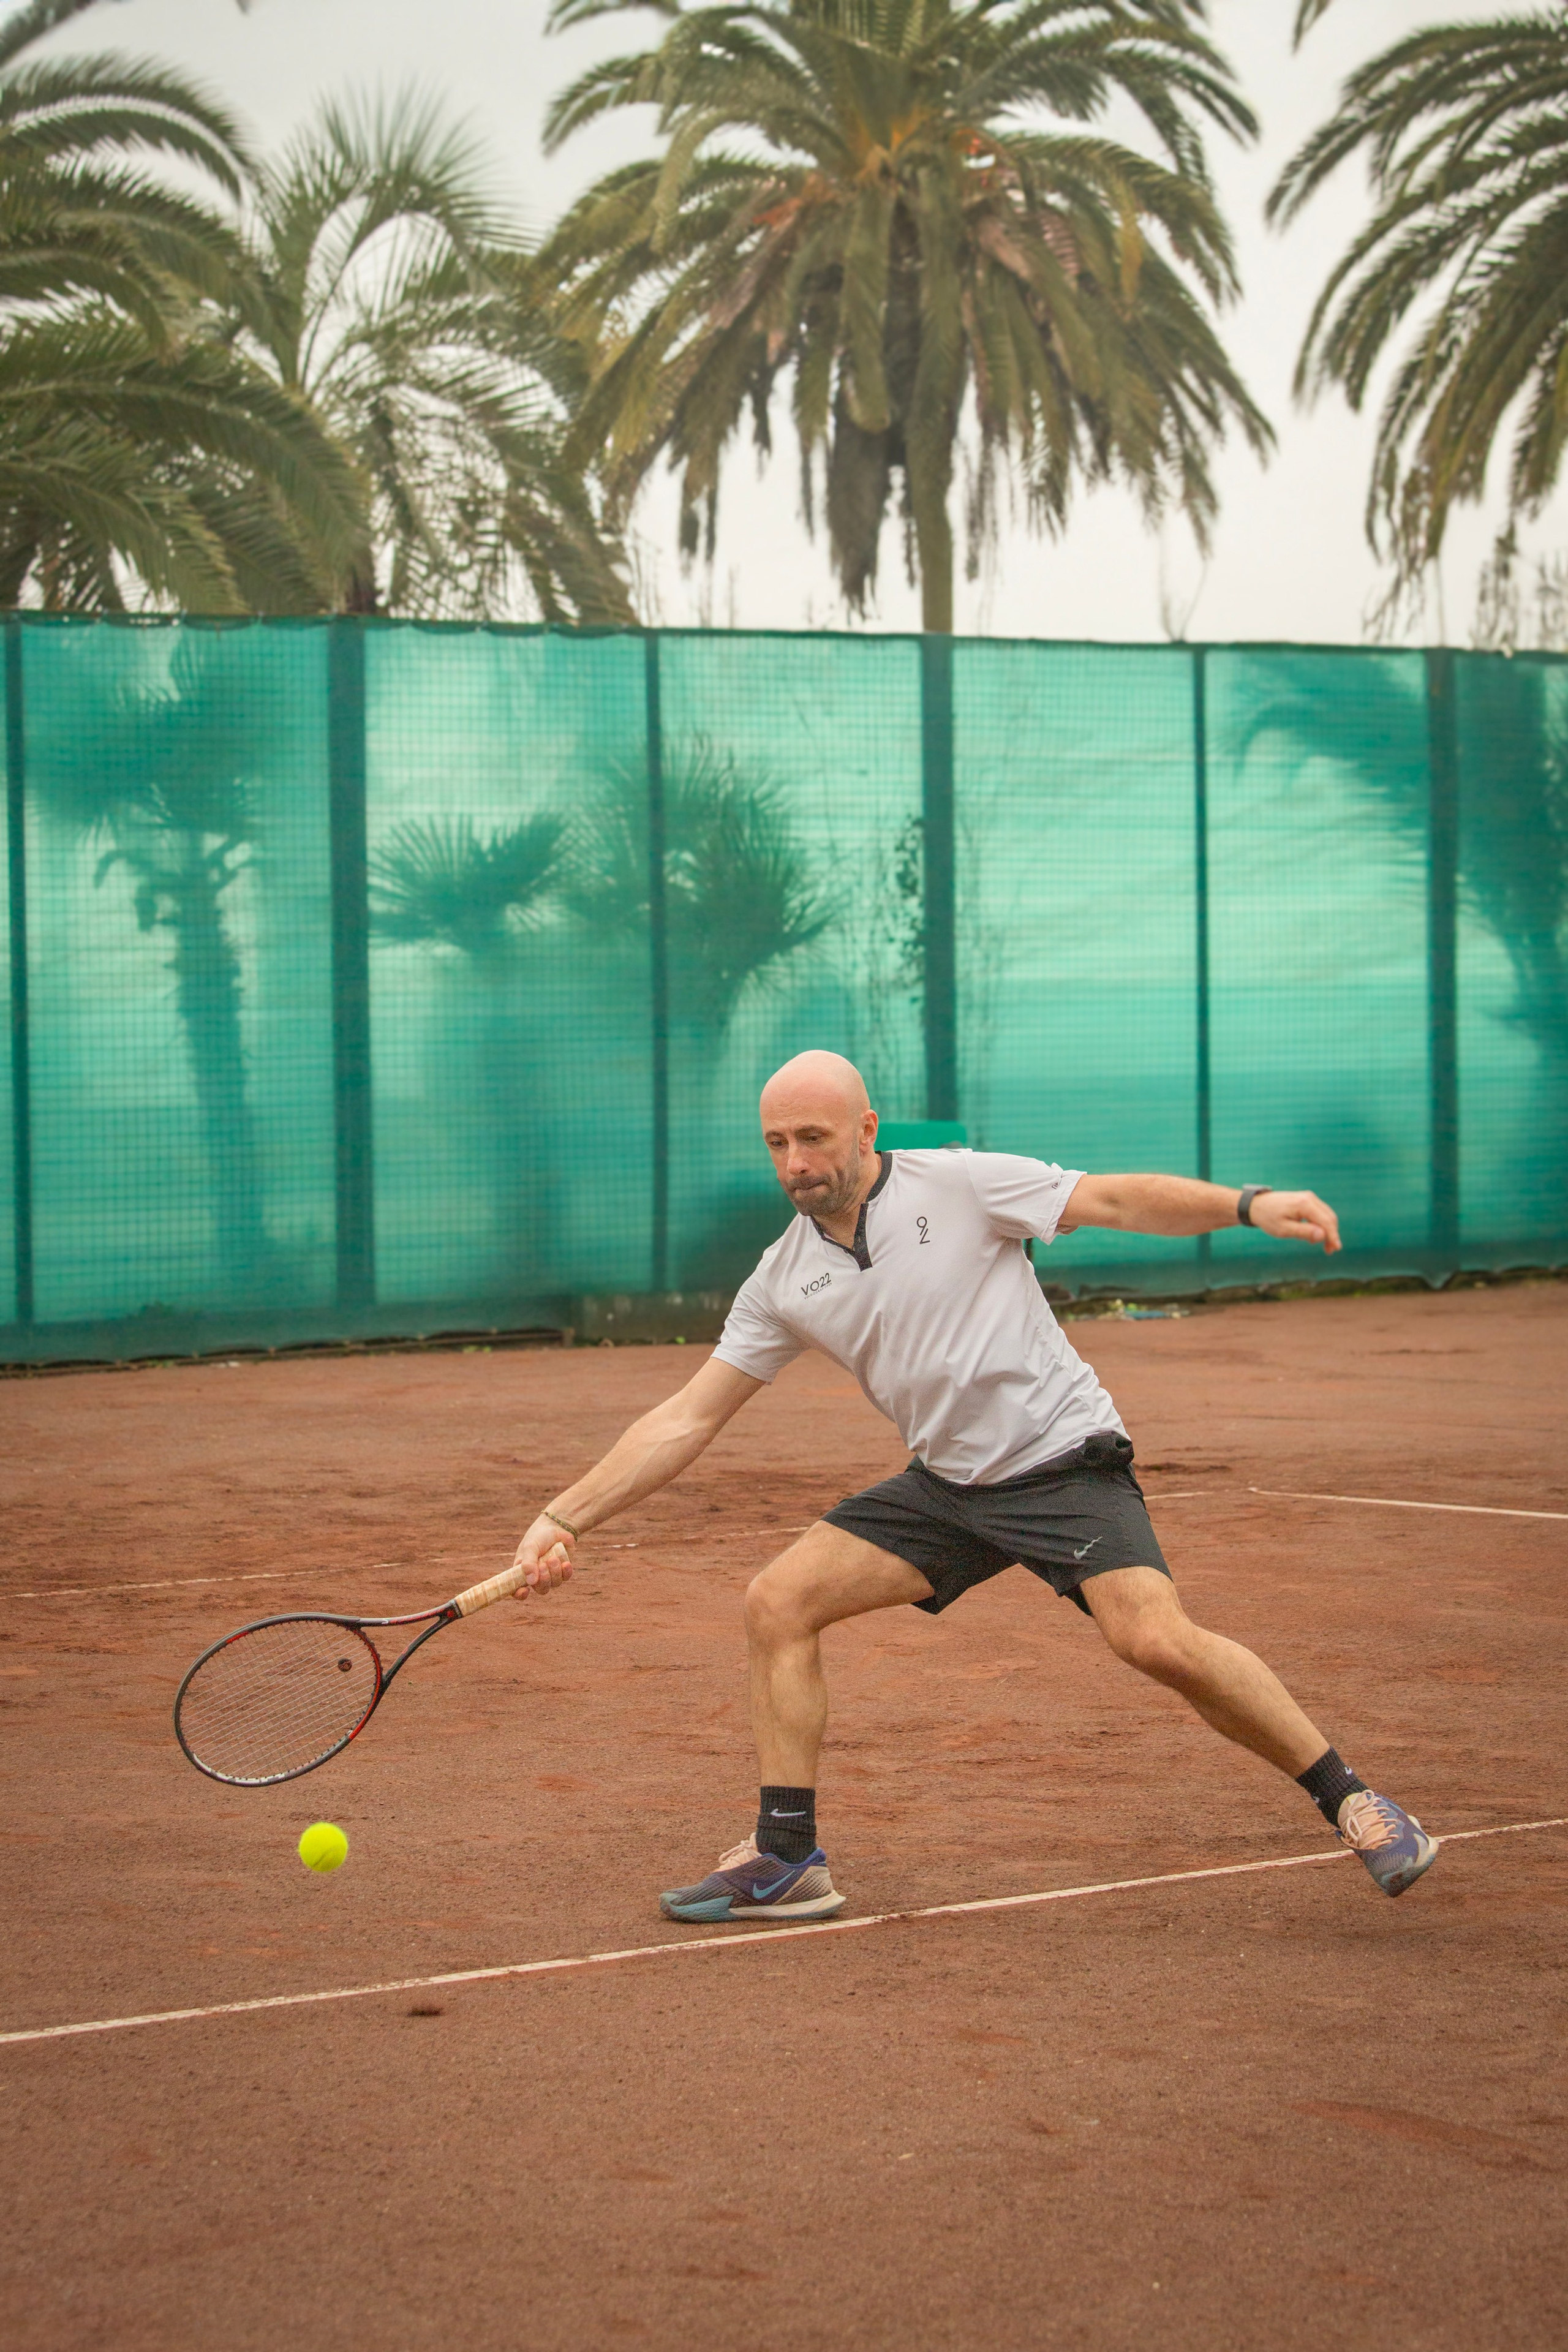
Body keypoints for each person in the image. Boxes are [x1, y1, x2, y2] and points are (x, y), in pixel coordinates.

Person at [511, 1050, 1436, 1923]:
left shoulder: (956, 1183)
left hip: (1062, 1460)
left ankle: (1356, 1804)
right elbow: (689, 1416)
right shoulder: (783, 1278)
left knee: (1154, 1640)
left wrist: (1249, 1204)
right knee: (778, 1603)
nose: (796, 1162)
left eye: (815, 1137)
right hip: (950, 1486)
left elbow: (1112, 1197)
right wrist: (562, 1518)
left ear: (866, 1128)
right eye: (777, 1144)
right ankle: (788, 1858)